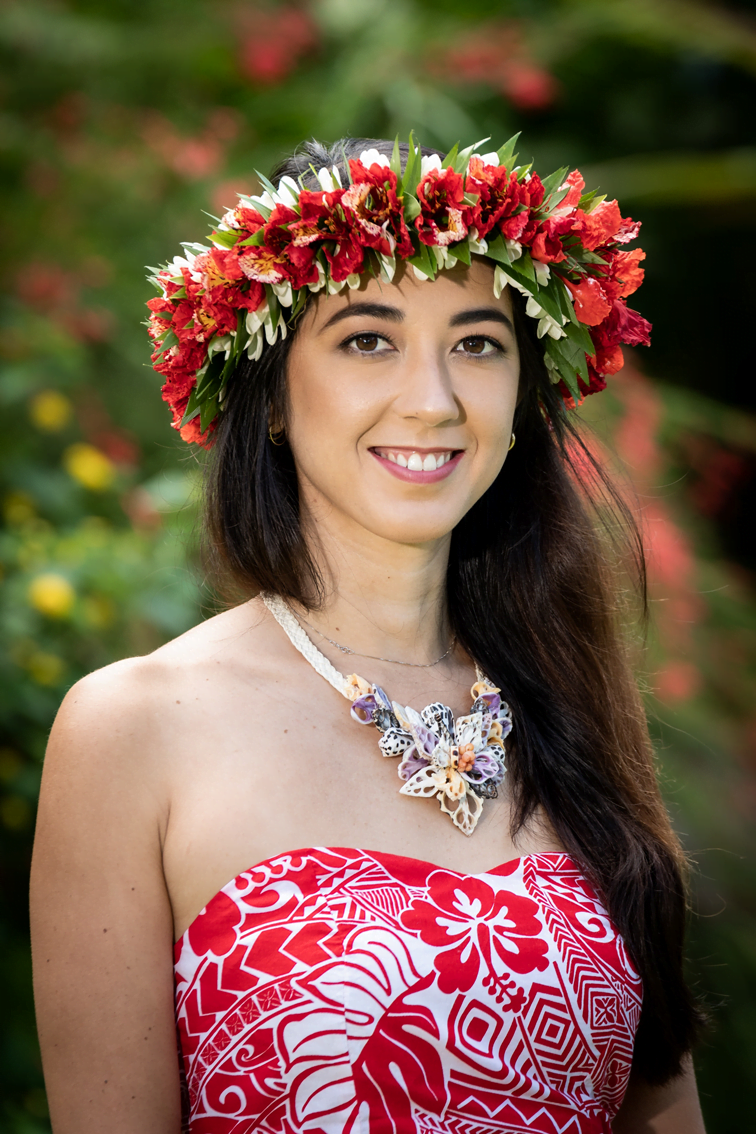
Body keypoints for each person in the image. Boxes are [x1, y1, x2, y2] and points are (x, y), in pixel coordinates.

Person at [30, 136, 707, 1134]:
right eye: (367, 339)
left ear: (523, 397)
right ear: (267, 397)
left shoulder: (568, 705)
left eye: (478, 342)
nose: (432, 400)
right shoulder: (133, 730)